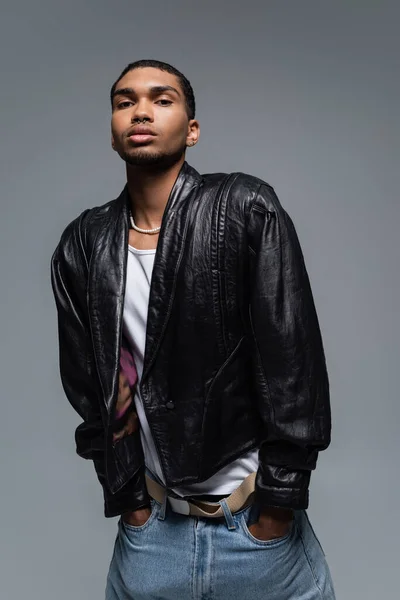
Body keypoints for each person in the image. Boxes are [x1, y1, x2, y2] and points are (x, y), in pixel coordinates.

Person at [50, 59, 336, 599]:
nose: (140, 110)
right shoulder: (84, 244)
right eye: (124, 101)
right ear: (112, 131)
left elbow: (292, 369)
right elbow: (97, 390)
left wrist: (276, 510)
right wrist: (131, 505)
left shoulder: (244, 208)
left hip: (255, 531)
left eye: (162, 99)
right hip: (152, 535)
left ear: (192, 129)